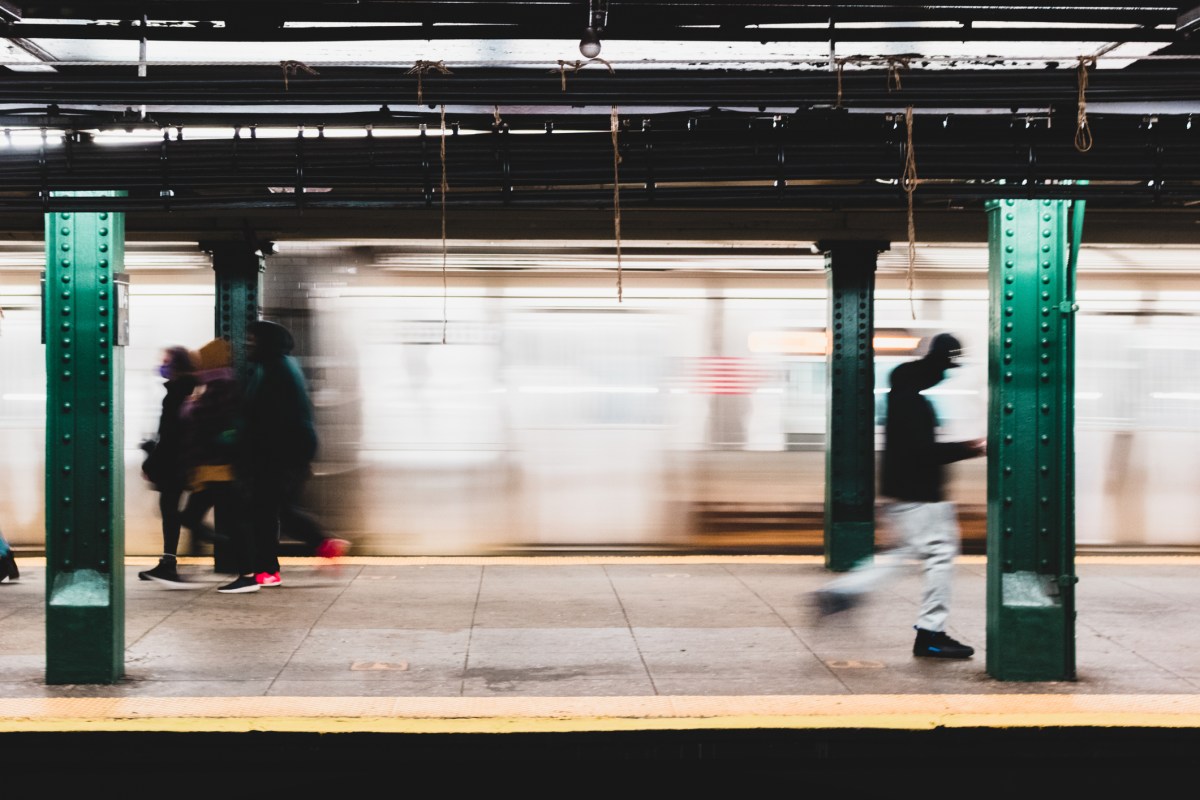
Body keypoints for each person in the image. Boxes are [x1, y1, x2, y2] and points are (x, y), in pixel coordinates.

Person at [812, 332, 986, 659]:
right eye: (947, 366)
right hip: (922, 497)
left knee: (905, 553)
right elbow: (923, 453)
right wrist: (972, 448)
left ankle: (840, 592)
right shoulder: (913, 402)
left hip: (903, 495)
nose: (946, 373)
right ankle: (930, 633)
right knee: (938, 554)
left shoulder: (900, 395)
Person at [219, 320, 348, 594]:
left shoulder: (274, 370)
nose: (246, 345)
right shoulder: (279, 366)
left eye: (252, 340)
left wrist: (233, 440)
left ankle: (263, 571)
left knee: (259, 511)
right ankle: (320, 546)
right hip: (288, 453)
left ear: (267, 343)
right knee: (279, 511)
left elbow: (262, 418)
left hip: (278, 455)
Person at [138, 346, 199, 587]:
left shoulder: (176, 393)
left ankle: (169, 564)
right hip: (181, 461)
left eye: (166, 361)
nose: (162, 365)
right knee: (173, 512)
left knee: (172, 512)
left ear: (177, 365)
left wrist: (151, 459)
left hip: (175, 464)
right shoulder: (186, 390)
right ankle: (168, 562)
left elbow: (170, 434)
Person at [178, 338, 242, 571]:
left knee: (192, 517)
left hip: (216, 467)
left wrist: (189, 407)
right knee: (193, 516)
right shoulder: (218, 386)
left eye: (202, 362)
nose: (198, 368)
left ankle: (235, 558)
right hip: (212, 466)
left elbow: (206, 419)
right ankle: (227, 553)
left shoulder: (221, 386)